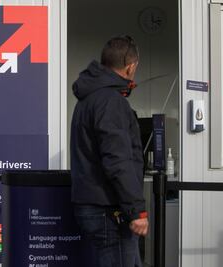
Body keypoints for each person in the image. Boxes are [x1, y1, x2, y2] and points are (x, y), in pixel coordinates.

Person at [70, 35, 149, 267]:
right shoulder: (110, 101)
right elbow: (117, 159)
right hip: (109, 211)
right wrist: (137, 211)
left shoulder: (89, 98)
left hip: (95, 206)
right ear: (131, 66)